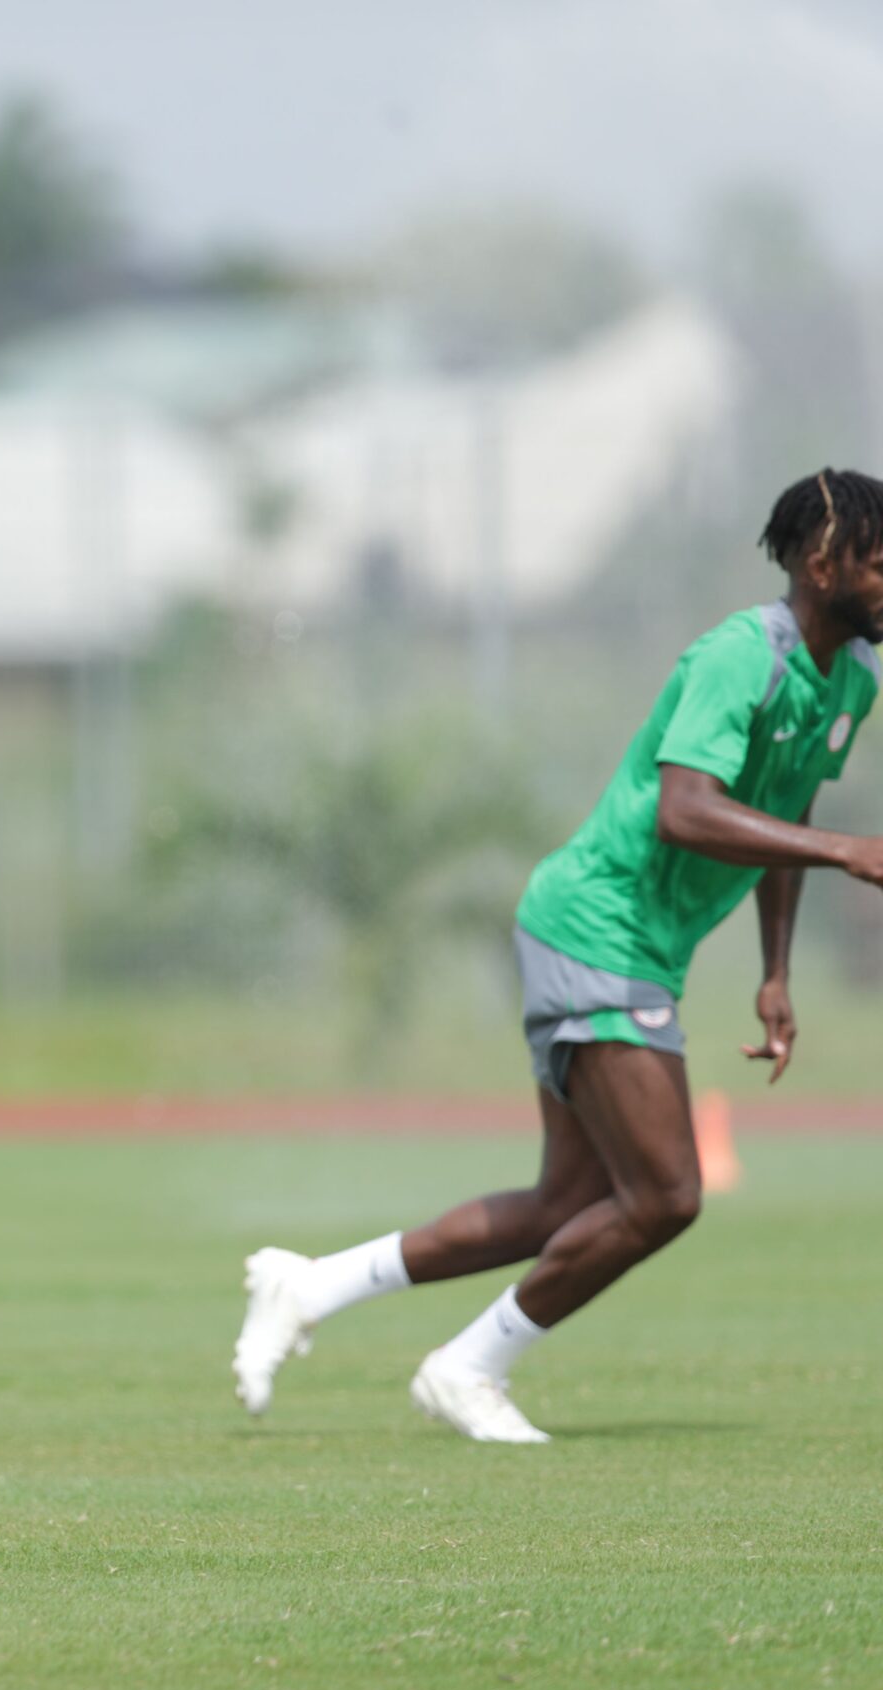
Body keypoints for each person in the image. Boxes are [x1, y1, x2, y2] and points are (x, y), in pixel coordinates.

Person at [233, 468, 883, 1443]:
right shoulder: (737, 657)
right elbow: (688, 808)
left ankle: (310, 1285)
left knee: (565, 1204)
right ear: (820, 562)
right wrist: (843, 854)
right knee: (665, 1195)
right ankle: (465, 1367)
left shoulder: (852, 683)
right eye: (880, 562)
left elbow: (781, 813)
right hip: (593, 929)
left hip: (633, 947)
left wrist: (774, 971)